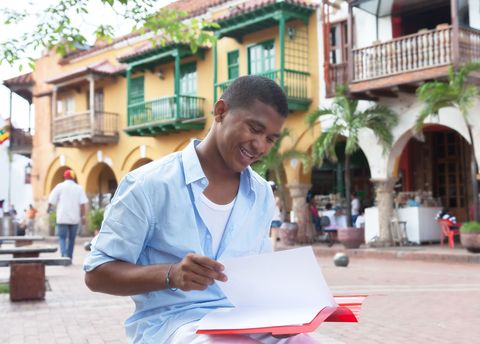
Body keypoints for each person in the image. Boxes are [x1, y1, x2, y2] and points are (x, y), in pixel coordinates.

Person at [83, 76, 319, 343]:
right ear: (221, 112)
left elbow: (257, 276)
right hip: (171, 325)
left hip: (245, 319)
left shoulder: (262, 192)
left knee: (305, 340)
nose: (260, 146)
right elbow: (96, 274)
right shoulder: (148, 185)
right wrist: (171, 275)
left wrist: (286, 314)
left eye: (270, 139)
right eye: (254, 129)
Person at [48, 169, 88, 259]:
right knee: (72, 239)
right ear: (73, 178)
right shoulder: (79, 188)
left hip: (62, 217)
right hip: (74, 218)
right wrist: (83, 216)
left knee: (62, 237)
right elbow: (82, 204)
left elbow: (51, 200)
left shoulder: (59, 186)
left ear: (64, 177)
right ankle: (69, 256)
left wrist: (49, 208)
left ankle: (64, 255)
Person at [269, 182, 283, 249]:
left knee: (267, 238)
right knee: (274, 238)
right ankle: (272, 252)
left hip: (267, 220)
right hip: (275, 219)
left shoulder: (264, 199)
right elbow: (280, 209)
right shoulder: (277, 199)